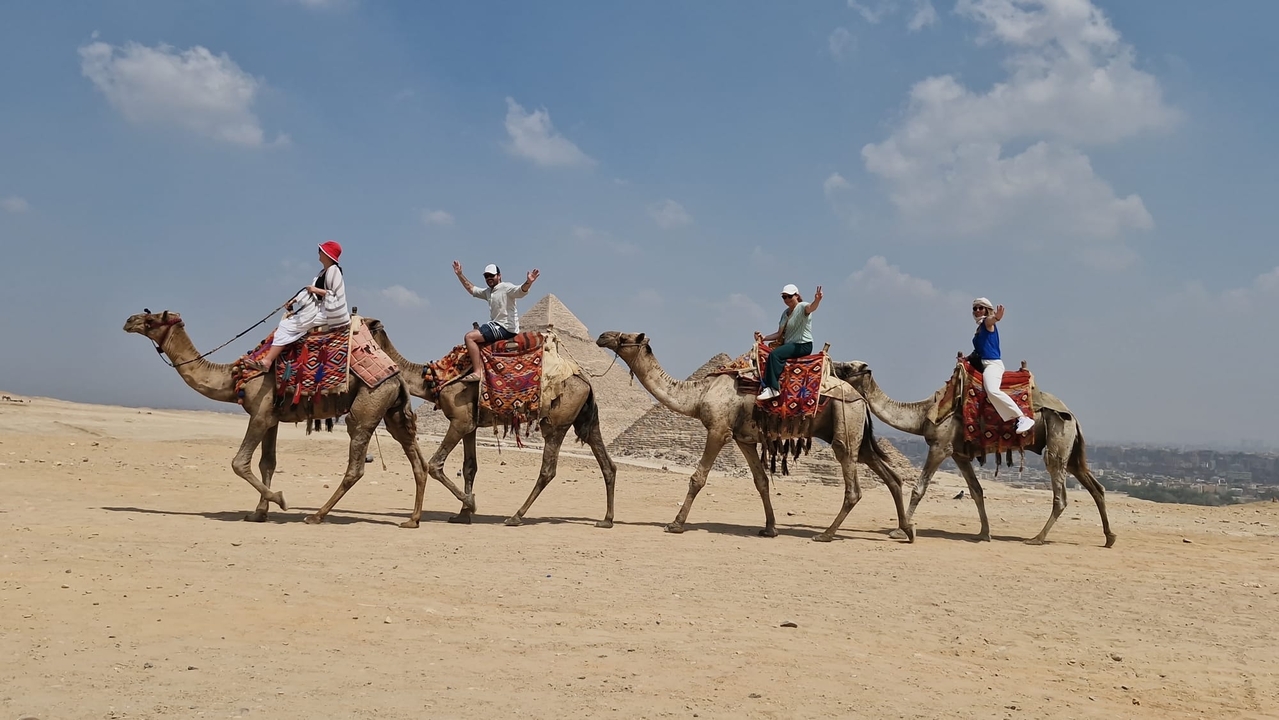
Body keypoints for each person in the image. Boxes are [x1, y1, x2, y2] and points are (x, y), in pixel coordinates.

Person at [248, 241, 349, 372]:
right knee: (291, 321)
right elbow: (311, 292)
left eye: (321, 251)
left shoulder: (334, 271)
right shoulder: (323, 272)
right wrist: (294, 300)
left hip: (327, 312)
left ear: (327, 254)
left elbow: (336, 296)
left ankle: (267, 361)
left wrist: (316, 290)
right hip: (320, 308)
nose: (318, 253)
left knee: (286, 326)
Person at [453, 261, 540, 384]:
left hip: (505, 327)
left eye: (491, 275)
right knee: (477, 333)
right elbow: (471, 289)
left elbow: (520, 291)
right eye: (486, 276)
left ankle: (477, 372)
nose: (489, 278)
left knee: (470, 337)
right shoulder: (488, 292)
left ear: (499, 276)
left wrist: (529, 282)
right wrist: (460, 274)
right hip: (496, 324)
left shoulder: (506, 287)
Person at [970, 297, 1035, 435]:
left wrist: (996, 317)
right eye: (975, 308)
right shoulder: (979, 328)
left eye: (980, 308)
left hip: (992, 365)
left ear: (987, 309)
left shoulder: (987, 324)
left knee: (992, 390)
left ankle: (1022, 417)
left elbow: (991, 320)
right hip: (984, 364)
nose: (977, 311)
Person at [755, 283, 822, 400]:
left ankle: (772, 388)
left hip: (802, 345)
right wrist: (764, 337)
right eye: (784, 297)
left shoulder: (802, 307)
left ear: (797, 296)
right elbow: (778, 334)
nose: (787, 299)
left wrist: (817, 300)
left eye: (789, 296)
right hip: (790, 345)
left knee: (774, 355)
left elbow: (811, 308)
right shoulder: (785, 314)